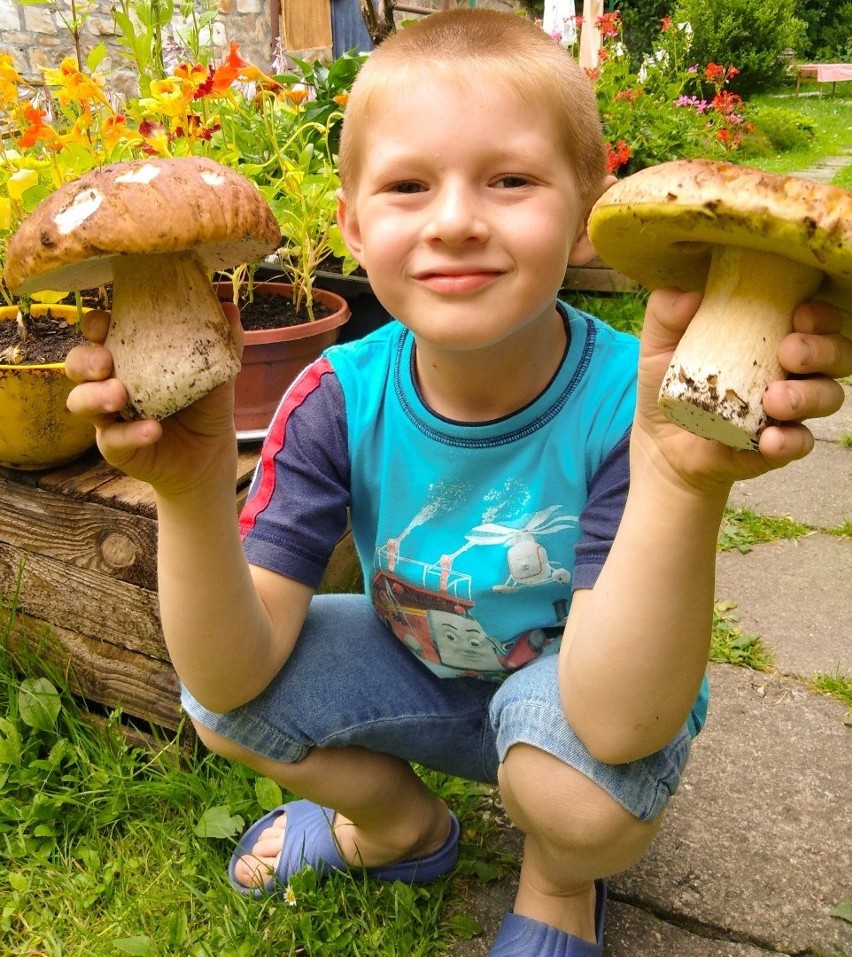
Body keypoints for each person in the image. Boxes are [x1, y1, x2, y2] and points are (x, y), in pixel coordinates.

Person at [65, 9, 851, 955]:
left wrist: (680, 479)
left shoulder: (625, 403)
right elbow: (231, 674)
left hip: (586, 690)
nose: (455, 220)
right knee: (215, 700)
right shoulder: (335, 397)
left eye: (511, 180)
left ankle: (559, 879)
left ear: (587, 207)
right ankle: (403, 830)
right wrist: (191, 493)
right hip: (424, 659)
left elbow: (617, 721)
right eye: (406, 185)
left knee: (574, 792)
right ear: (352, 226)